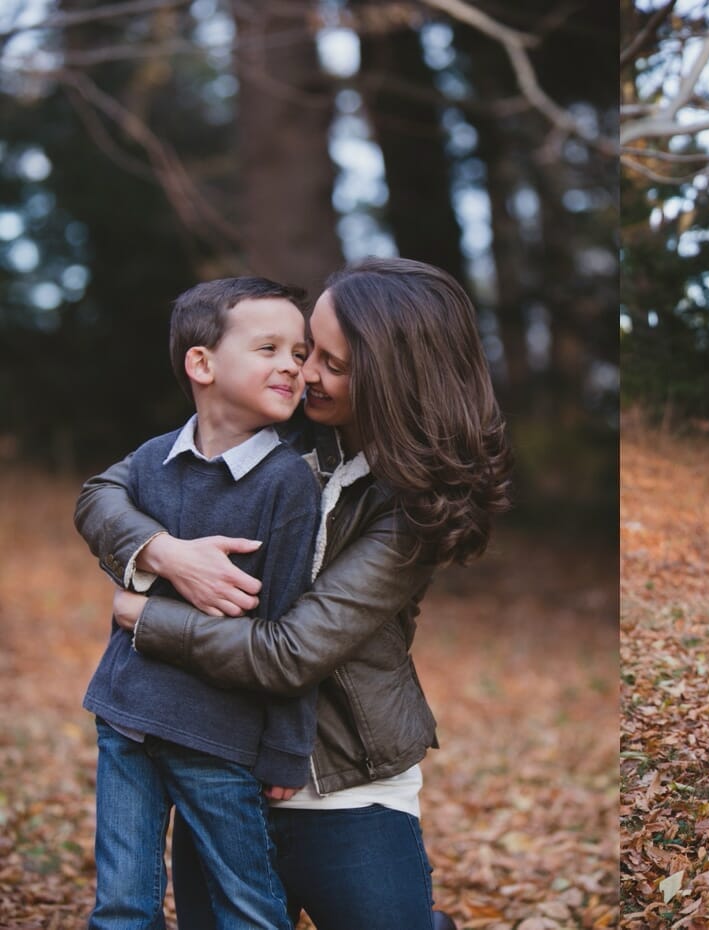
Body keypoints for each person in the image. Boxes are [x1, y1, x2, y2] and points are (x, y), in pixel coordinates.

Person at [75, 258, 511, 930]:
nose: (303, 374)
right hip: (219, 756)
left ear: (390, 378)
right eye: (308, 352)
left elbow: (290, 652)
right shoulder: (269, 418)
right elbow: (105, 491)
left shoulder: (414, 506)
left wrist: (145, 616)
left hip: (346, 789)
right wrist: (160, 552)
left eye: (330, 363)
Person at [83, 277, 322, 930]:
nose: (292, 366)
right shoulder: (153, 458)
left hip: (219, 735)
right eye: (269, 348)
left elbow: (289, 623)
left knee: (247, 906)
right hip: (126, 718)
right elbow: (98, 510)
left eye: (299, 354)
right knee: (121, 905)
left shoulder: (288, 484)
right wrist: (158, 554)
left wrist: (285, 750)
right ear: (202, 363)